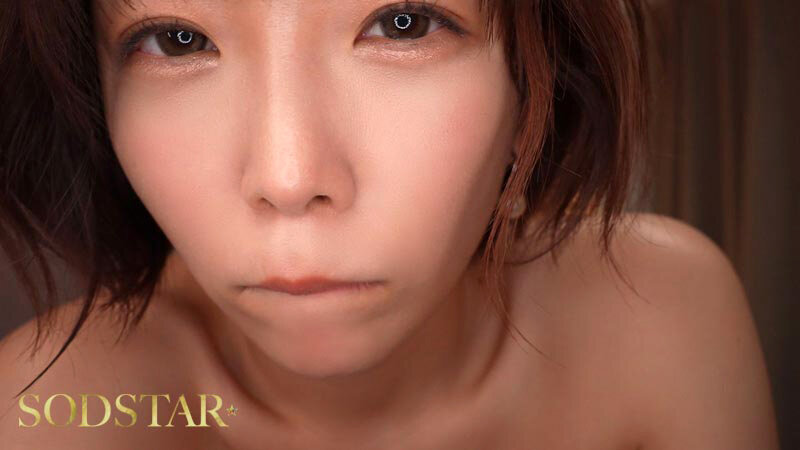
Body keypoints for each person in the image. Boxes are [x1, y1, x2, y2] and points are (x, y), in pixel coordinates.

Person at [0, 0, 780, 448]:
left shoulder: (664, 321)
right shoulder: (45, 412)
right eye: (178, 41)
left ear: (532, 85)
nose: (288, 178)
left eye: (403, 23)